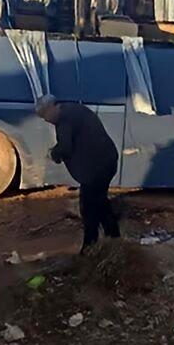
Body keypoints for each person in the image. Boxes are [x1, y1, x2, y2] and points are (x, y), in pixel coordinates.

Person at [36, 95, 121, 252]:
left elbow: (65, 147)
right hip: (106, 161)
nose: (46, 120)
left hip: (96, 168)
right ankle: (114, 237)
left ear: (52, 107)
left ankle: (90, 246)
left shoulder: (64, 120)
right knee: (100, 201)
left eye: (44, 116)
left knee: (88, 207)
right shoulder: (73, 109)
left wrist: (53, 154)